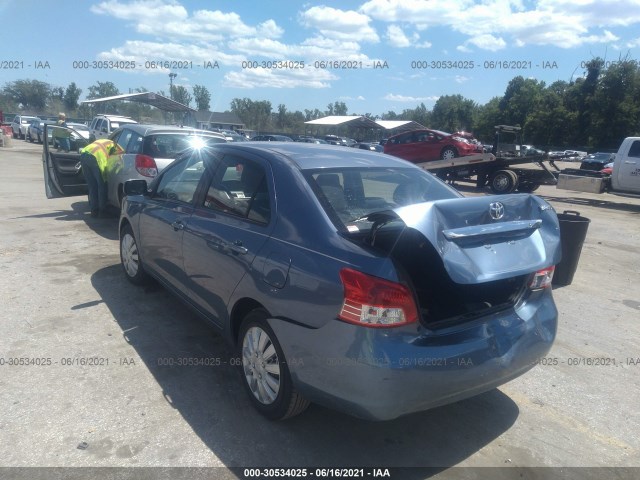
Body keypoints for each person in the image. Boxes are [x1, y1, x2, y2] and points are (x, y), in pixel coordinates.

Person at [79, 138, 123, 217]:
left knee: (92, 186)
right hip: (96, 157)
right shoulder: (115, 145)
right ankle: (102, 211)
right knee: (102, 184)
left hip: (84, 154)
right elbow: (121, 155)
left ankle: (94, 210)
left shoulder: (105, 141)